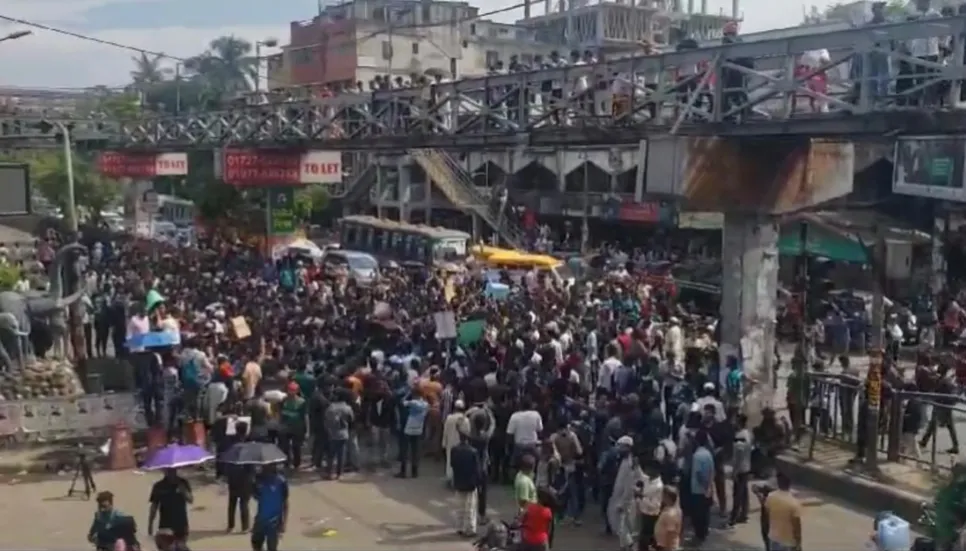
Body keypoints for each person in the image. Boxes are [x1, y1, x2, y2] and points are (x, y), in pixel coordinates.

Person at [450, 432, 482, 537]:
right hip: (470, 483)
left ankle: (459, 527)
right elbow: (477, 469)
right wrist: (479, 482)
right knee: (471, 507)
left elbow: (452, 464)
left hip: (459, 481)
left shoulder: (454, 450)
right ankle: (470, 529)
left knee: (459, 506)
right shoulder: (473, 451)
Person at [148, 468, 192, 542]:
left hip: (181, 524)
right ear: (164, 471)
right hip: (165, 526)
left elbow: (191, 500)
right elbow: (154, 507)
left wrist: (184, 491)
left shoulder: (183, 482)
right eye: (169, 470)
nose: (171, 472)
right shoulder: (158, 486)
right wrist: (150, 524)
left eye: (173, 470)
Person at [252, 463, 289, 551]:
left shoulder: (281, 482)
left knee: (272, 547)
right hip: (261, 520)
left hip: (274, 522)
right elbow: (256, 496)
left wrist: (284, 523)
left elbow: (285, 503)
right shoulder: (258, 479)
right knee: (256, 543)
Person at [763, 471, 803, 551]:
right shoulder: (794, 503)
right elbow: (796, 526)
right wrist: (799, 543)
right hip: (788, 542)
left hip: (774, 538)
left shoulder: (771, 497)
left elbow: (766, 515)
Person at [519, 487, 555, 551]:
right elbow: (549, 529)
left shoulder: (529, 507)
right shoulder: (548, 511)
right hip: (541, 541)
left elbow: (521, 520)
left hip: (527, 538)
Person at [653, 487, 682, 551]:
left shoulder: (670, 514)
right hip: (664, 544)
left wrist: (667, 548)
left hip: (667, 546)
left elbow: (670, 533)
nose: (661, 497)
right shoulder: (672, 508)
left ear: (667, 498)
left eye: (663, 495)